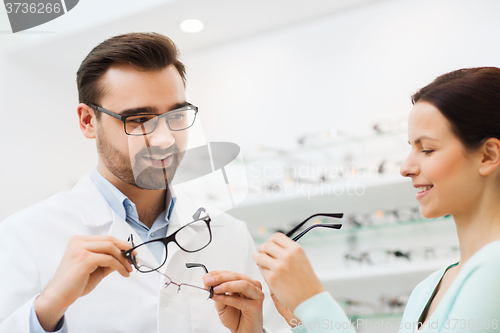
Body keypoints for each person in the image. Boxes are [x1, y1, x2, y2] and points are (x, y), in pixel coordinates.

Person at [0, 32, 286, 333]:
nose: (164, 140)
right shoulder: (25, 236)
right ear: (87, 121)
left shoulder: (230, 233)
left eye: (176, 115)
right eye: (138, 120)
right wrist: (47, 308)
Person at [251, 67, 500, 332]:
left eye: (427, 149)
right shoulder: (427, 289)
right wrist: (300, 318)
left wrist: (312, 302)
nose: (406, 167)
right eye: (410, 148)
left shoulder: (494, 268)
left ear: (488, 156)